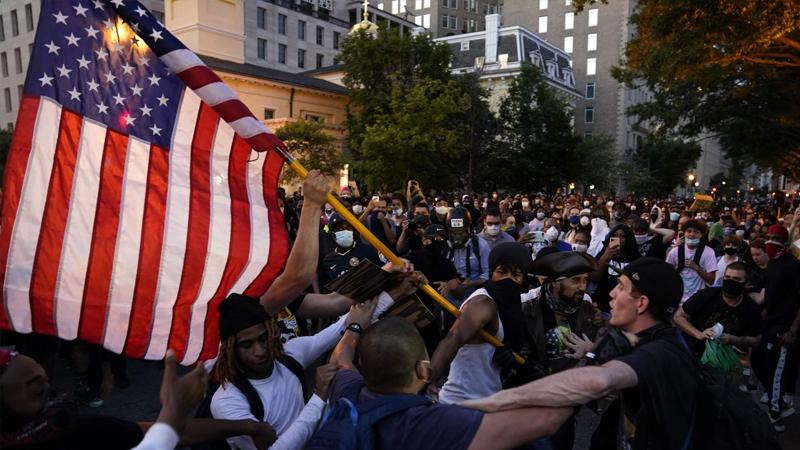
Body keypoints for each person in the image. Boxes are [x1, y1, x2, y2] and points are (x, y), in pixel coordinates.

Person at [463, 258, 699, 450]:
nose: (611, 294)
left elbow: (597, 380)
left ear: (642, 303)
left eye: (621, 287)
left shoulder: (661, 353)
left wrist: (488, 404)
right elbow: (566, 407)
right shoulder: (629, 336)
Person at [315, 317, 572, 450]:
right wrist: (597, 358)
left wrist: (356, 326)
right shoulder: (437, 422)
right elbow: (546, 420)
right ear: (423, 369)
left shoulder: (346, 391)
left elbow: (341, 359)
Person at [209, 290, 396, 449]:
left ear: (272, 332)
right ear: (230, 349)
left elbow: (346, 324)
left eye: (263, 338)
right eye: (246, 345)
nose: (259, 351)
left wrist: (396, 292)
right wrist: (319, 396)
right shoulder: (227, 400)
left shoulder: (290, 355)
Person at [0, 349, 275, 450]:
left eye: (49, 382)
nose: (54, 398)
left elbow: (159, 433)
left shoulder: (82, 430)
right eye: (37, 390)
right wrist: (175, 410)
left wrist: (246, 426)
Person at [430, 243, 532, 405]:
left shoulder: (512, 305)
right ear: (491, 272)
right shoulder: (482, 303)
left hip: (490, 403)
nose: (508, 279)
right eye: (501, 272)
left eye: (516, 274)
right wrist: (430, 378)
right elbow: (453, 339)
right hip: (461, 405)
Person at [751, 224, 800, 431]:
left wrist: (792, 331)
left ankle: (775, 413)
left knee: (776, 371)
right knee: (759, 362)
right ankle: (776, 398)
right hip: (769, 324)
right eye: (768, 237)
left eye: (775, 238)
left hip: (784, 328)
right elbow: (769, 296)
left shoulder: (793, 266)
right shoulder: (772, 265)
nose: (770, 241)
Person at [673, 262, 762, 356]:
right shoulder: (707, 295)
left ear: (746, 283)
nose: (730, 282)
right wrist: (699, 334)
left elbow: (756, 340)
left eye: (737, 279)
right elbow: (678, 317)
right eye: (727, 277)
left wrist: (734, 339)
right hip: (693, 352)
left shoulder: (751, 308)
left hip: (723, 359)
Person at [320, 213, 385, 286]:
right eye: (339, 229)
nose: (345, 232)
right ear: (333, 235)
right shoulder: (328, 261)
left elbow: (384, 274)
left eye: (348, 228)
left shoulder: (368, 250)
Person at [591, 224, 641, 311]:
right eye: (615, 236)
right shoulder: (604, 253)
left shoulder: (636, 259)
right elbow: (595, 277)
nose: (618, 239)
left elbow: (638, 280)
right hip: (603, 306)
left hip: (625, 307)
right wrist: (605, 257)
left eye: (622, 236)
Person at [666, 220, 718, 303]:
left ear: (701, 235)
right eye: (689, 231)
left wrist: (697, 268)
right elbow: (667, 275)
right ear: (684, 233)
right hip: (678, 298)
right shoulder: (675, 252)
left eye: (696, 232)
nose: (692, 234)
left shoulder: (708, 252)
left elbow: (712, 280)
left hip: (698, 299)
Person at [446, 210, 490, 296]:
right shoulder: (444, 246)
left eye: (461, 232)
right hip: (449, 290)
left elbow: (488, 272)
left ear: (468, 230)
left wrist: (470, 284)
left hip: (474, 292)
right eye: (454, 233)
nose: (457, 237)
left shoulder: (480, 245)